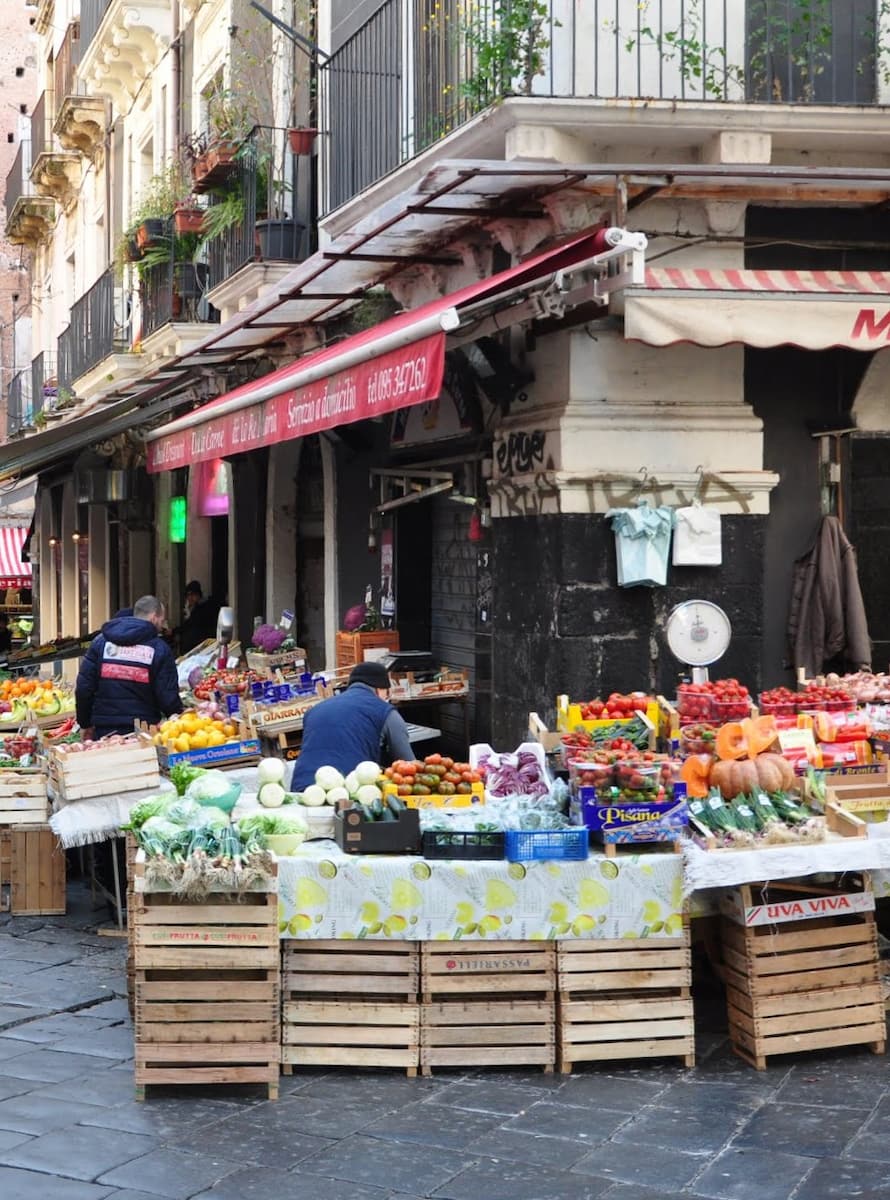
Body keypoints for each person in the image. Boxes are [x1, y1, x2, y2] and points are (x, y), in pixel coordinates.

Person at [291, 661, 413, 791]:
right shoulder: (385, 712)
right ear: (379, 689)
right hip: (348, 794)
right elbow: (408, 766)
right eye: (386, 693)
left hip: (302, 791)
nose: (386, 698)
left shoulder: (314, 710)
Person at [75, 595, 183, 738]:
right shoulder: (159, 648)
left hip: (104, 730)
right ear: (154, 617)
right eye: (162, 620)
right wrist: (176, 717)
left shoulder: (100, 643)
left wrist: (85, 723)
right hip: (144, 731)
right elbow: (167, 694)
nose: (162, 626)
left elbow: (84, 688)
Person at [177, 580, 220, 655]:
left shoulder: (205, 608)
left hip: (204, 645)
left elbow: (193, 624)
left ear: (198, 595)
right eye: (188, 596)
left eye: (192, 595)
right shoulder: (196, 609)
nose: (190, 598)